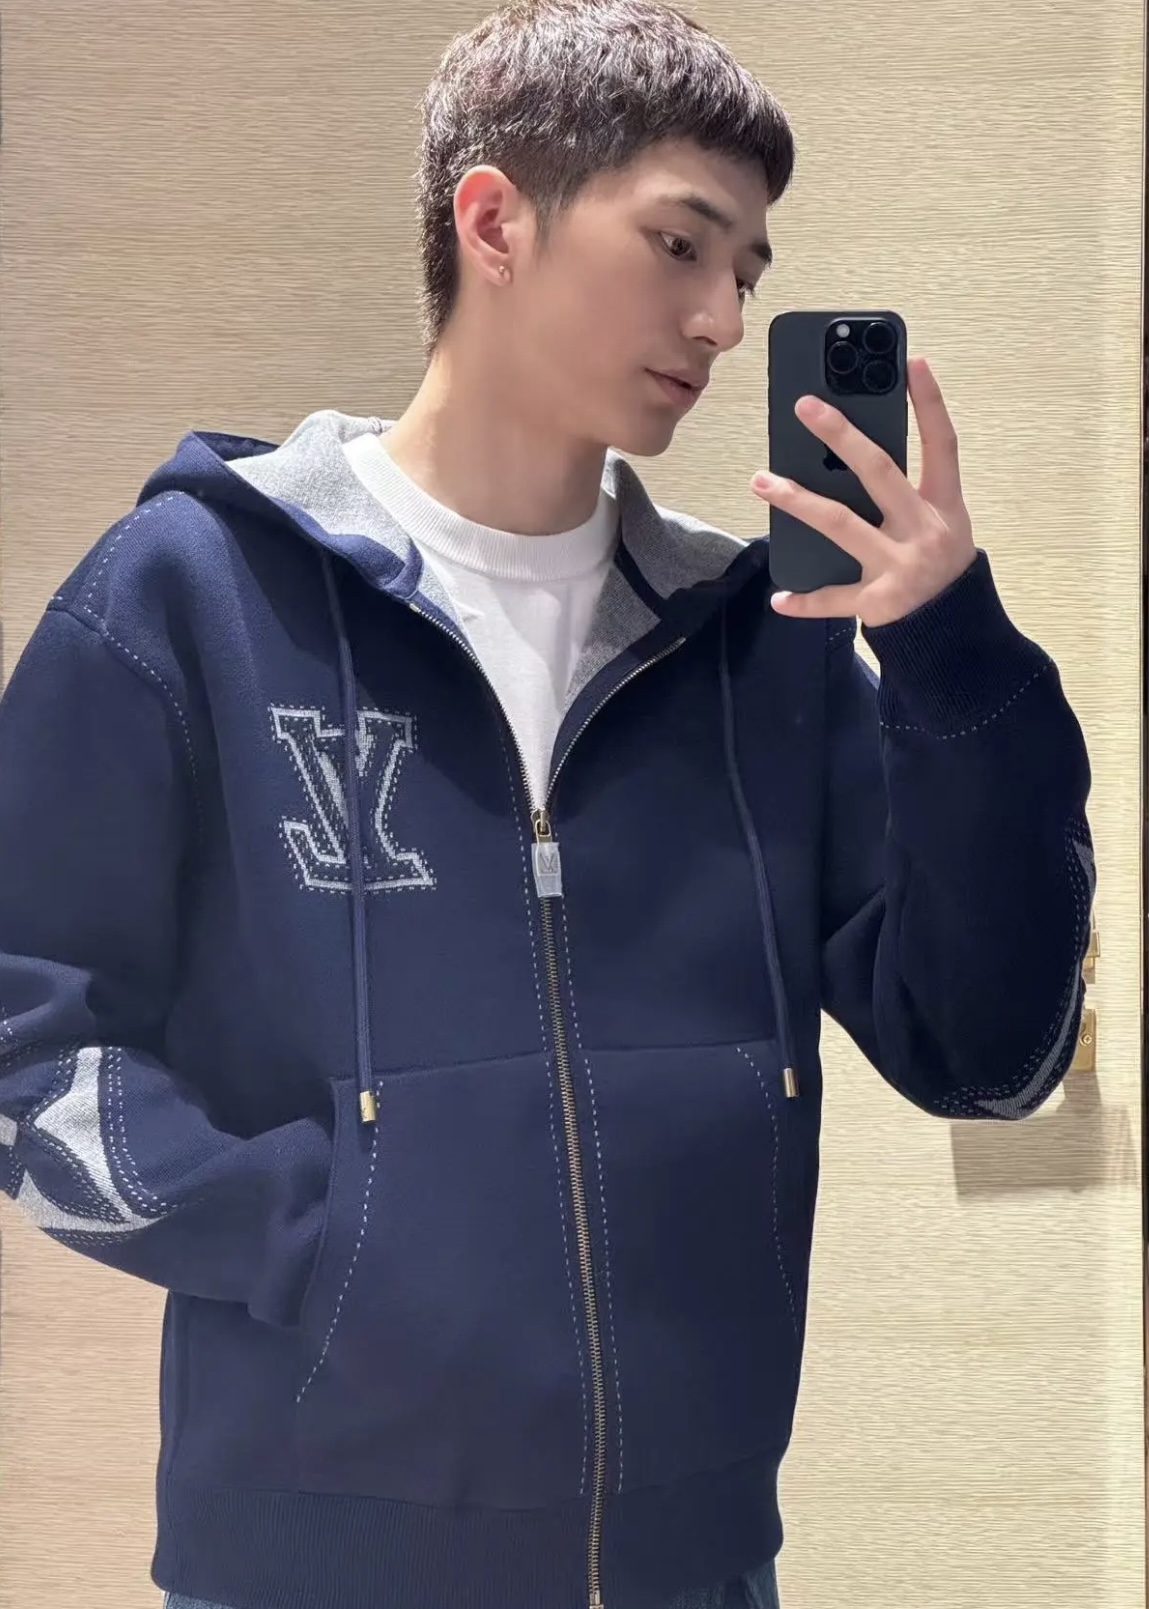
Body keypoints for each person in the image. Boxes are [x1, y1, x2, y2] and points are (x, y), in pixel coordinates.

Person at [0, 1, 1094, 1607]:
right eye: (680, 245)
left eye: (749, 273)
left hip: (688, 1568)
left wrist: (948, 653)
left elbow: (985, 1052)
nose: (722, 318)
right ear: (496, 221)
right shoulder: (194, 597)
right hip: (303, 1568)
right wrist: (320, 1237)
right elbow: (24, 1033)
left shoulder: (758, 652)